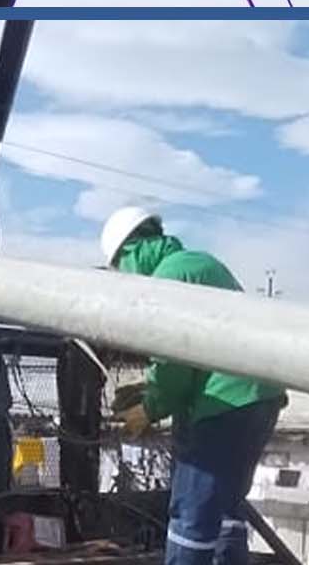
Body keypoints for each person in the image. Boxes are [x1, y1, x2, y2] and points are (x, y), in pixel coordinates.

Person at [100, 206, 288, 565]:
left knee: (191, 514)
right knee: (226, 507)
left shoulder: (166, 278)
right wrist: (150, 389)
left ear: (129, 252)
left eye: (119, 269)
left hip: (222, 404)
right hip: (259, 399)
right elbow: (202, 352)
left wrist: (151, 407)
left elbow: (173, 361)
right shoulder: (200, 264)